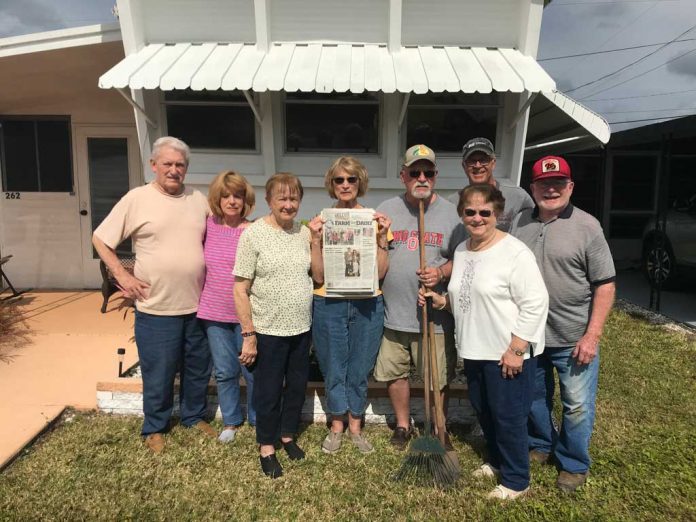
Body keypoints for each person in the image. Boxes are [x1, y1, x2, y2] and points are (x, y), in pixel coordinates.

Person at [421, 184, 548, 500]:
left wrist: (517, 349)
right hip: (475, 350)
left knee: (508, 416)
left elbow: (536, 302)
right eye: (470, 212)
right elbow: (466, 297)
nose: (477, 218)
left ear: (498, 214)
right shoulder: (463, 250)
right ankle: (497, 460)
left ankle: (517, 481)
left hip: (506, 352)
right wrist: (441, 301)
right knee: (485, 411)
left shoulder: (515, 253)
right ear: (461, 214)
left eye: (484, 212)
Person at [93, 136, 214, 454]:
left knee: (197, 367)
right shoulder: (137, 199)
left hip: (198, 305)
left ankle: (193, 416)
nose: (174, 170)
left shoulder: (198, 200)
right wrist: (121, 275)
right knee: (159, 370)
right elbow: (101, 239)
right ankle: (155, 427)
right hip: (156, 307)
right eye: (168, 164)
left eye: (180, 165)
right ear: (154, 166)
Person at [511, 155, 616, 493]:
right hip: (530, 335)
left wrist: (592, 335)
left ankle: (573, 463)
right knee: (533, 398)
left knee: (577, 404)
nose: (551, 189)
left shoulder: (588, 226)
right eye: (543, 183)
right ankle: (541, 443)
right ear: (533, 188)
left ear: (570, 187)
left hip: (572, 337)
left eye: (558, 183)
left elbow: (605, 284)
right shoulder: (518, 222)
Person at [233, 173, 321, 479]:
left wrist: (320, 240)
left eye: (294, 198)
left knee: (296, 387)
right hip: (268, 330)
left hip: (300, 328)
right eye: (282, 198)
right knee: (268, 392)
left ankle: (287, 435)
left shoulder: (304, 232)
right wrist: (249, 334)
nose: (288, 204)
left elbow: (317, 275)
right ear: (269, 200)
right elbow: (240, 288)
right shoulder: (253, 235)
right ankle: (266, 447)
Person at [373, 144, 461, 449]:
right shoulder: (387, 210)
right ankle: (402, 425)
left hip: (433, 316)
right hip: (394, 313)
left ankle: (439, 428)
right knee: (394, 373)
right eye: (415, 172)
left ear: (435, 176)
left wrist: (440, 273)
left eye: (428, 172)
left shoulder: (452, 214)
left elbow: (463, 258)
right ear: (403, 175)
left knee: (436, 377)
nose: (421, 178)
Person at [308, 157, 391, 455]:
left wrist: (381, 238)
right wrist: (316, 240)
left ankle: (356, 424)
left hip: (367, 302)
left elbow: (380, 273)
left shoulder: (373, 219)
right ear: (331, 184)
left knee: (359, 365)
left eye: (351, 179)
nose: (345, 185)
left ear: (360, 183)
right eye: (339, 180)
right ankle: (336, 424)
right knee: (332, 365)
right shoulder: (321, 220)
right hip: (329, 301)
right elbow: (318, 275)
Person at [197, 171, 256, 443]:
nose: (232, 201)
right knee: (224, 371)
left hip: (248, 314)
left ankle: (257, 417)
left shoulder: (254, 230)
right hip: (213, 312)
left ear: (245, 200)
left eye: (238, 196)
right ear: (217, 198)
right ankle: (231, 421)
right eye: (226, 195)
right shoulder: (207, 226)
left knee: (252, 370)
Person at [447, 137, 534, 232]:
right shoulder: (453, 203)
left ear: (493, 163)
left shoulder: (518, 197)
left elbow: (533, 228)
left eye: (483, 160)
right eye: (472, 161)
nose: (478, 165)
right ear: (464, 166)